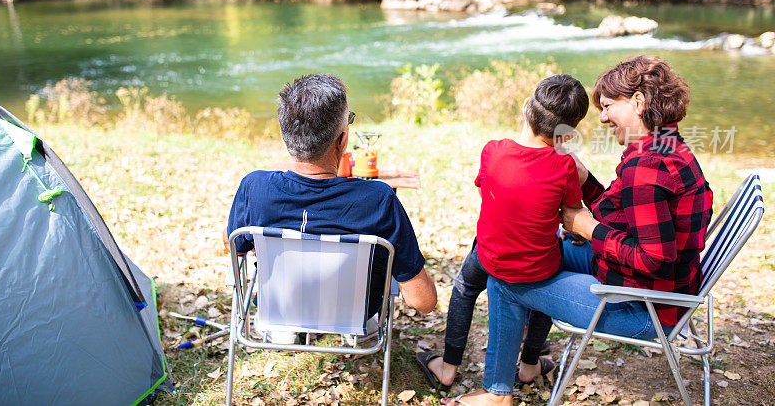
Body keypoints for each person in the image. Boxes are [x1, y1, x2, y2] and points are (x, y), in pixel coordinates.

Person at [444, 56, 713, 406]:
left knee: (504, 281)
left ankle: (497, 393)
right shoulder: (662, 147)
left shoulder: (647, 169)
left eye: (607, 106)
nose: (602, 118)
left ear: (638, 102)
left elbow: (655, 260)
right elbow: (626, 216)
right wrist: (586, 183)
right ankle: (527, 366)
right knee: (538, 251)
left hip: (644, 309)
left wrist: (590, 229)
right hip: (641, 282)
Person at [417, 74, 589, 392]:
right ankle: (529, 365)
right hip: (536, 265)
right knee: (551, 273)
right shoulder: (564, 165)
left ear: (526, 107)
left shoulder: (493, 150)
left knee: (465, 288)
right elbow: (570, 214)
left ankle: (448, 366)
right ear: (568, 133)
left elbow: (490, 197)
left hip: (490, 256)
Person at [223, 73, 437, 326]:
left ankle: (288, 328)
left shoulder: (255, 187)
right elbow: (422, 301)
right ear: (342, 139)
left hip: (280, 307)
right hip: (354, 314)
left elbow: (233, 244)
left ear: (286, 136)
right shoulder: (378, 199)